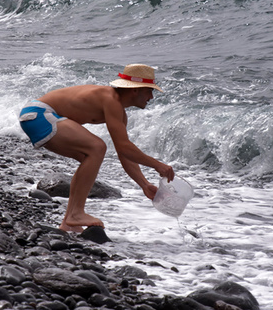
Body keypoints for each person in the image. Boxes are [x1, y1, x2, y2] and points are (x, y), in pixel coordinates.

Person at [19, 64, 176, 232]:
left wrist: (144, 184)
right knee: (97, 148)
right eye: (149, 91)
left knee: (89, 157)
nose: (151, 97)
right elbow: (124, 148)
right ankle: (76, 213)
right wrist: (157, 165)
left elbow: (124, 153)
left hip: (37, 116)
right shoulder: (110, 99)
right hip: (39, 114)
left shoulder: (119, 113)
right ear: (135, 90)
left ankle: (69, 221)